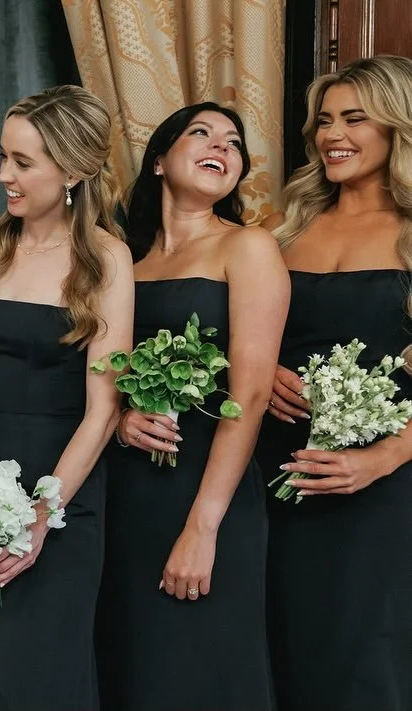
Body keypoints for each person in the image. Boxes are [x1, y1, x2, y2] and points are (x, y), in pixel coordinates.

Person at [95, 102, 288, 710]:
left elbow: (250, 395)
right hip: (124, 496)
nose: (221, 146)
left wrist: (203, 527)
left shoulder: (248, 247)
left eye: (233, 142)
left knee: (200, 668)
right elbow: (105, 374)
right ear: (158, 160)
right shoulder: (121, 258)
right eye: (200, 133)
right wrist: (123, 423)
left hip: (209, 491)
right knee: (131, 668)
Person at [0, 85, 132, 711]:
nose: (4, 175)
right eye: (3, 157)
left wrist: (41, 514)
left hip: (60, 489)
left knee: (37, 672)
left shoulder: (107, 262)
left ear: (74, 169)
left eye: (22, 162)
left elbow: (103, 409)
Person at [258, 55, 412, 711]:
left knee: (365, 660)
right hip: (277, 478)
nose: (331, 135)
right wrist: (258, 372)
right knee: (281, 650)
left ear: (397, 129)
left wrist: (379, 459)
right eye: (323, 121)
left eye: (353, 118)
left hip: (383, 493)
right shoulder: (284, 230)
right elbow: (241, 337)